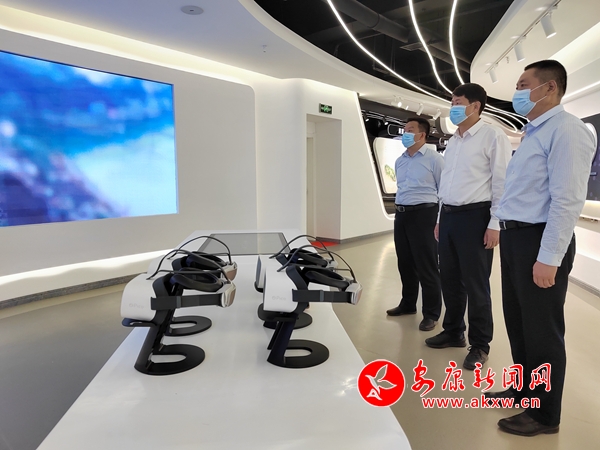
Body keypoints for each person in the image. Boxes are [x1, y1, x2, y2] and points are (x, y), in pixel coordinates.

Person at [487, 60, 595, 436]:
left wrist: (548, 258)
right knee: (518, 324)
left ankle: (545, 414)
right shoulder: (533, 133)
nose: (517, 92)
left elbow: (567, 201)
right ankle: (523, 390)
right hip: (516, 239)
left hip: (539, 240)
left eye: (523, 84)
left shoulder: (567, 130)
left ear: (549, 87)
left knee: (542, 331)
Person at [424, 83, 511, 370]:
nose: (453, 107)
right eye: (452, 102)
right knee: (449, 278)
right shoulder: (454, 141)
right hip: (449, 216)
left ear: (475, 106)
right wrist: (440, 219)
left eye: (458, 102)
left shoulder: (492, 135)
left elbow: (501, 183)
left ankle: (480, 344)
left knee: (476, 284)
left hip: (476, 217)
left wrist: (495, 223)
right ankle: (453, 331)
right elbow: (447, 184)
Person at [386, 118, 444, 332]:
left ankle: (431, 313)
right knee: (405, 262)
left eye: (410, 130)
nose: (405, 134)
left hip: (425, 215)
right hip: (402, 215)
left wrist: (439, 220)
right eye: (404, 130)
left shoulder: (434, 159)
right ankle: (408, 303)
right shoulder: (400, 160)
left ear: (422, 135)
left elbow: (443, 191)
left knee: (426, 265)